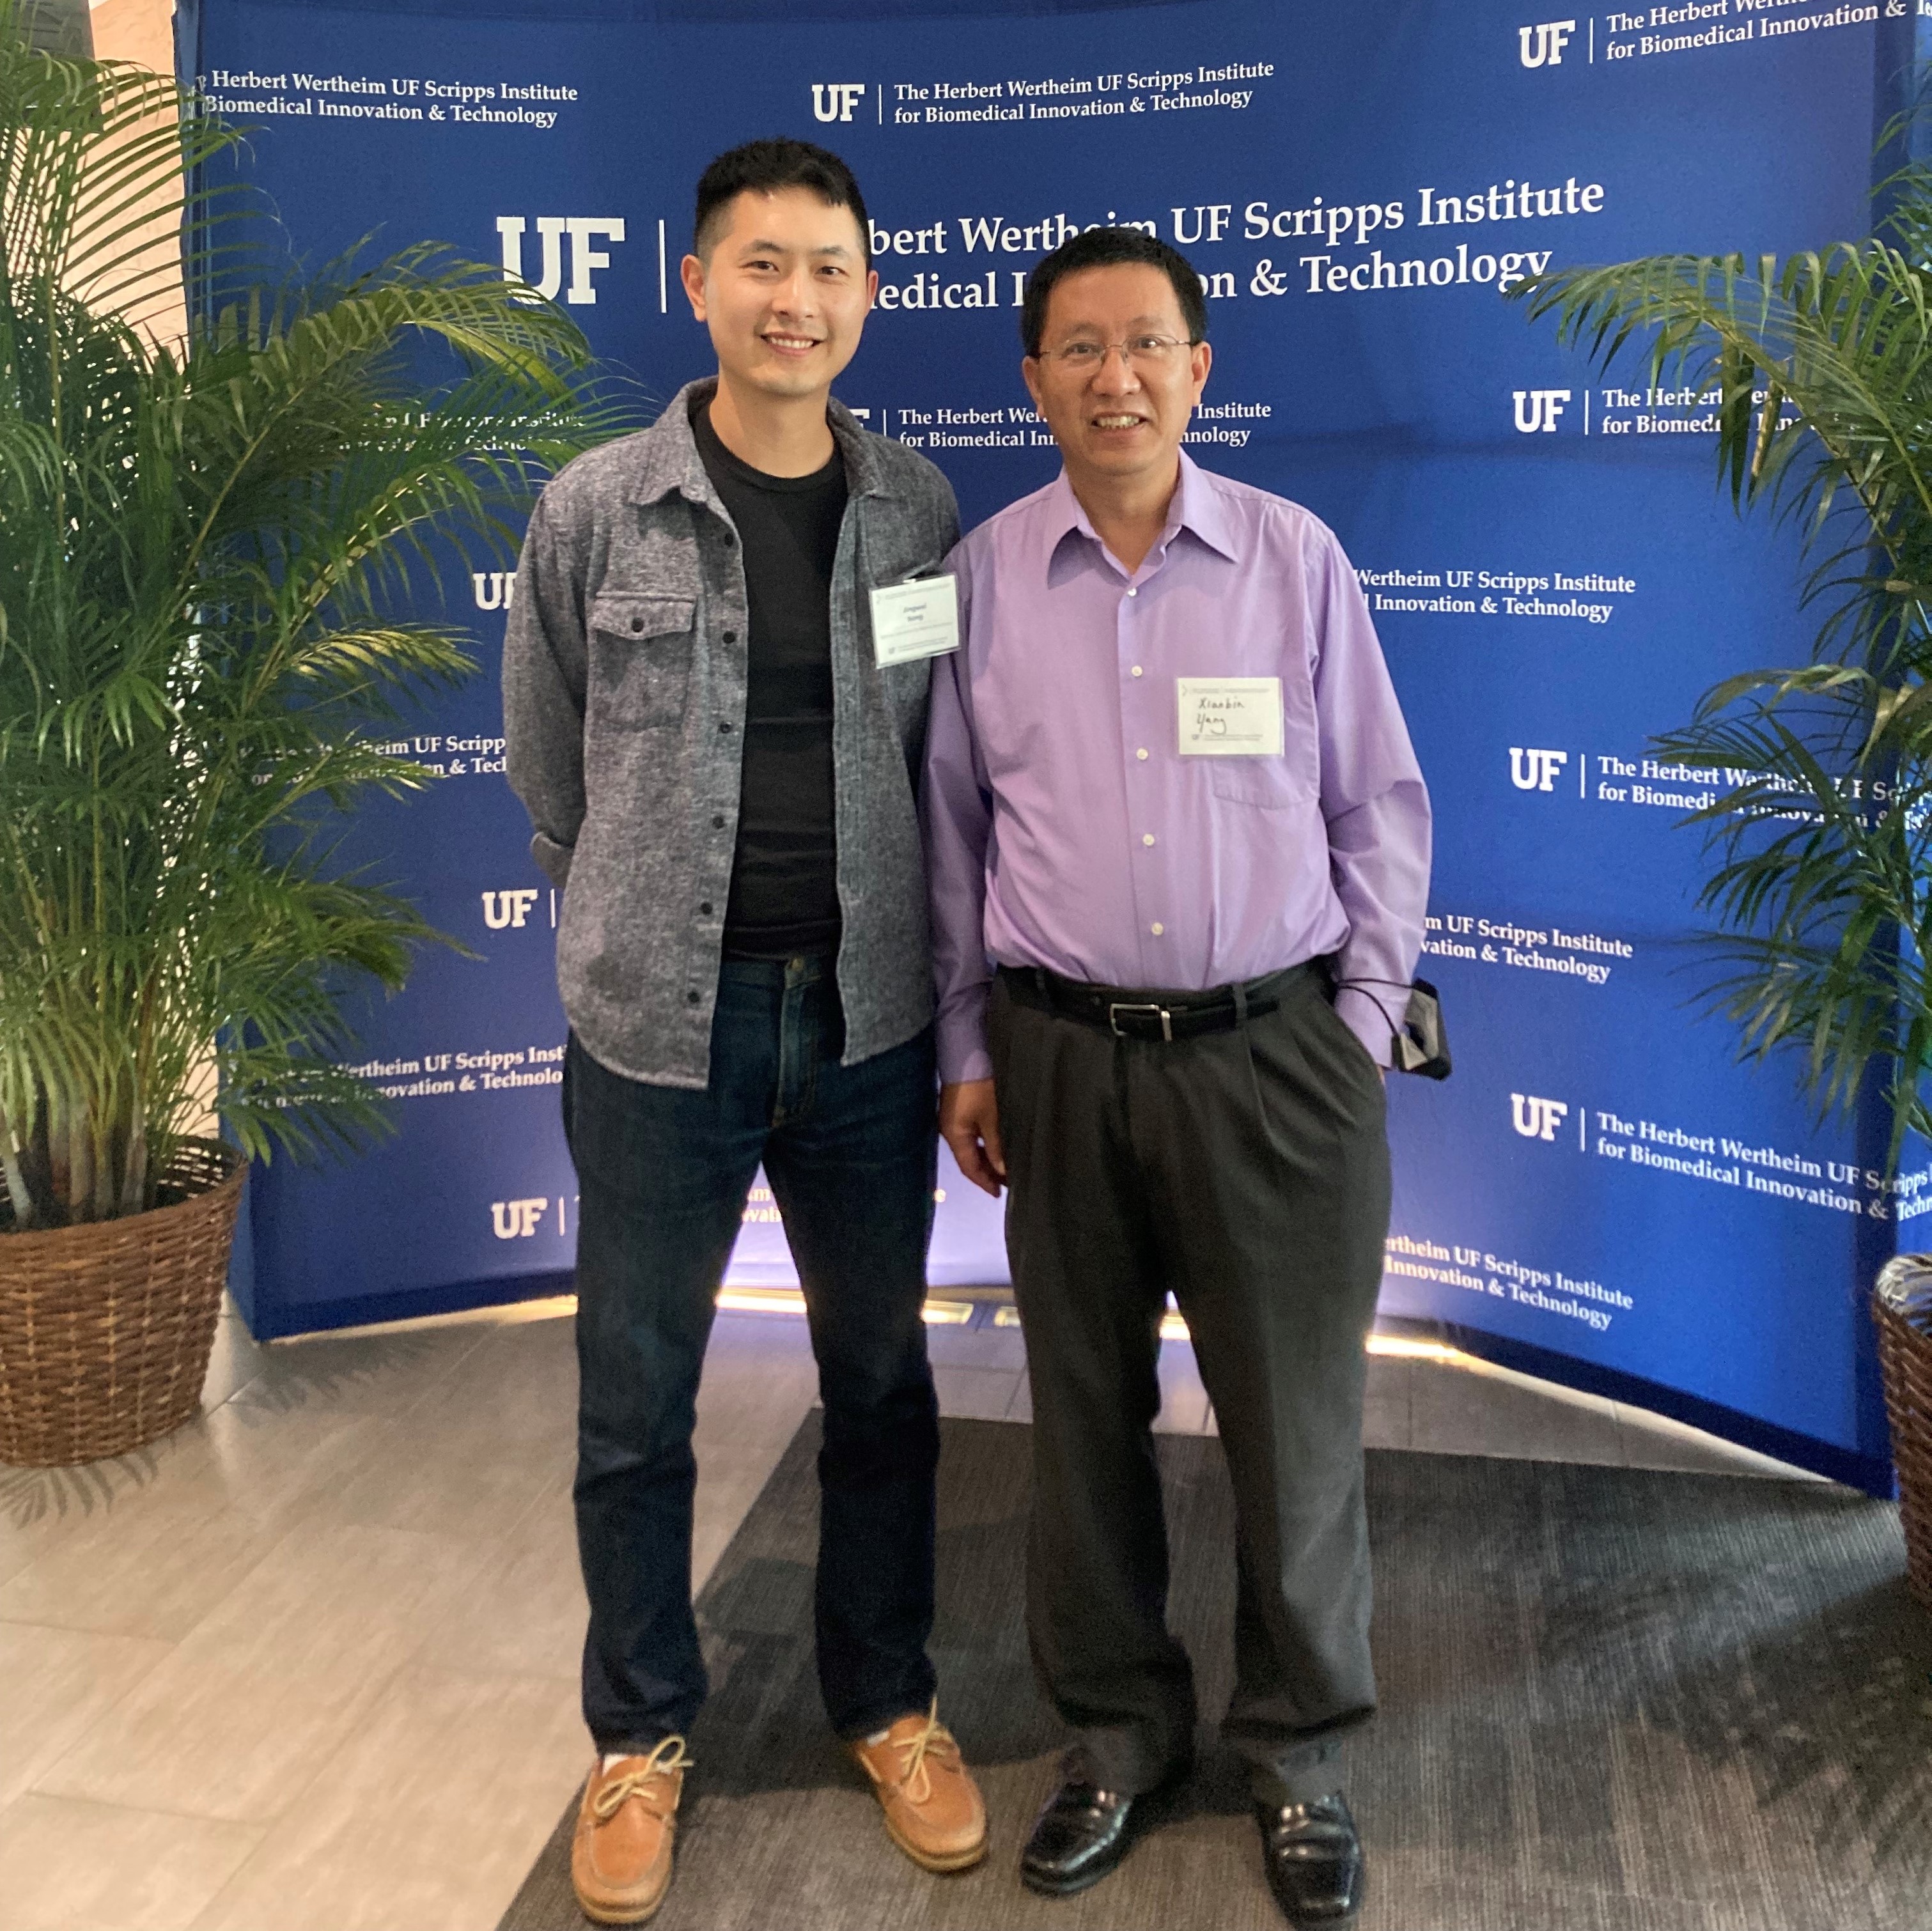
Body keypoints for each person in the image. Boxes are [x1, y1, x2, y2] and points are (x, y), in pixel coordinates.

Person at [922, 226, 1430, 1926]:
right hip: (1060, 1061)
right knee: (1079, 1426)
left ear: (1200, 370)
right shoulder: (980, 575)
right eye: (1080, 347)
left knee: (1295, 1428)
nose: (1116, 376)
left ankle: (1297, 1752)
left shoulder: (1295, 561)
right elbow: (950, 834)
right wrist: (968, 1046)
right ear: (1035, 380)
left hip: (1276, 1061)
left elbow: (1380, 810)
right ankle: (1121, 1739)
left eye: (1148, 344)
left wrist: (1356, 1032)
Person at [504, 138, 986, 1927]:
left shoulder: (919, 512)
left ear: (868, 294)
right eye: (763, 265)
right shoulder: (592, 511)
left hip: (861, 1028)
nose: (800, 300)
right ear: (695, 285)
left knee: (881, 1384)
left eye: (832, 269)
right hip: (655, 1039)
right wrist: (621, 912)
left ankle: (888, 1698)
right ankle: (638, 1731)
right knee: (634, 1404)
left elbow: (940, 752)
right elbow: (549, 769)